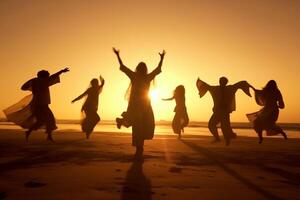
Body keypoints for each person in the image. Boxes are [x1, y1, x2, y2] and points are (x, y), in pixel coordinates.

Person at [113, 47, 165, 159]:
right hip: (141, 106)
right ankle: (139, 148)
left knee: (142, 126)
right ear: (144, 69)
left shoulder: (137, 76)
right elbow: (158, 69)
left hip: (141, 106)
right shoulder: (145, 77)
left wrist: (117, 55)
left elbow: (123, 67)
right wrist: (162, 58)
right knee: (140, 126)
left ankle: (123, 122)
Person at [196, 77, 251, 145]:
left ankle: (226, 140)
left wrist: (250, 87)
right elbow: (207, 86)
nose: (221, 82)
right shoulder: (217, 88)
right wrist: (199, 82)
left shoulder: (229, 88)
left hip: (225, 112)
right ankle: (218, 138)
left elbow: (240, 84)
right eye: (221, 81)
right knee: (212, 125)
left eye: (222, 81)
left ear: (225, 82)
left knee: (224, 127)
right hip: (218, 111)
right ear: (220, 81)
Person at [21, 68, 69, 142]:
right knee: (46, 120)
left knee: (46, 120)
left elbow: (23, 87)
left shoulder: (35, 81)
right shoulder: (43, 80)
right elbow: (53, 76)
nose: (48, 77)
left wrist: (32, 82)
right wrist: (61, 71)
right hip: (40, 105)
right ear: (44, 76)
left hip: (38, 104)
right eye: (47, 76)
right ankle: (31, 132)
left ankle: (47, 136)